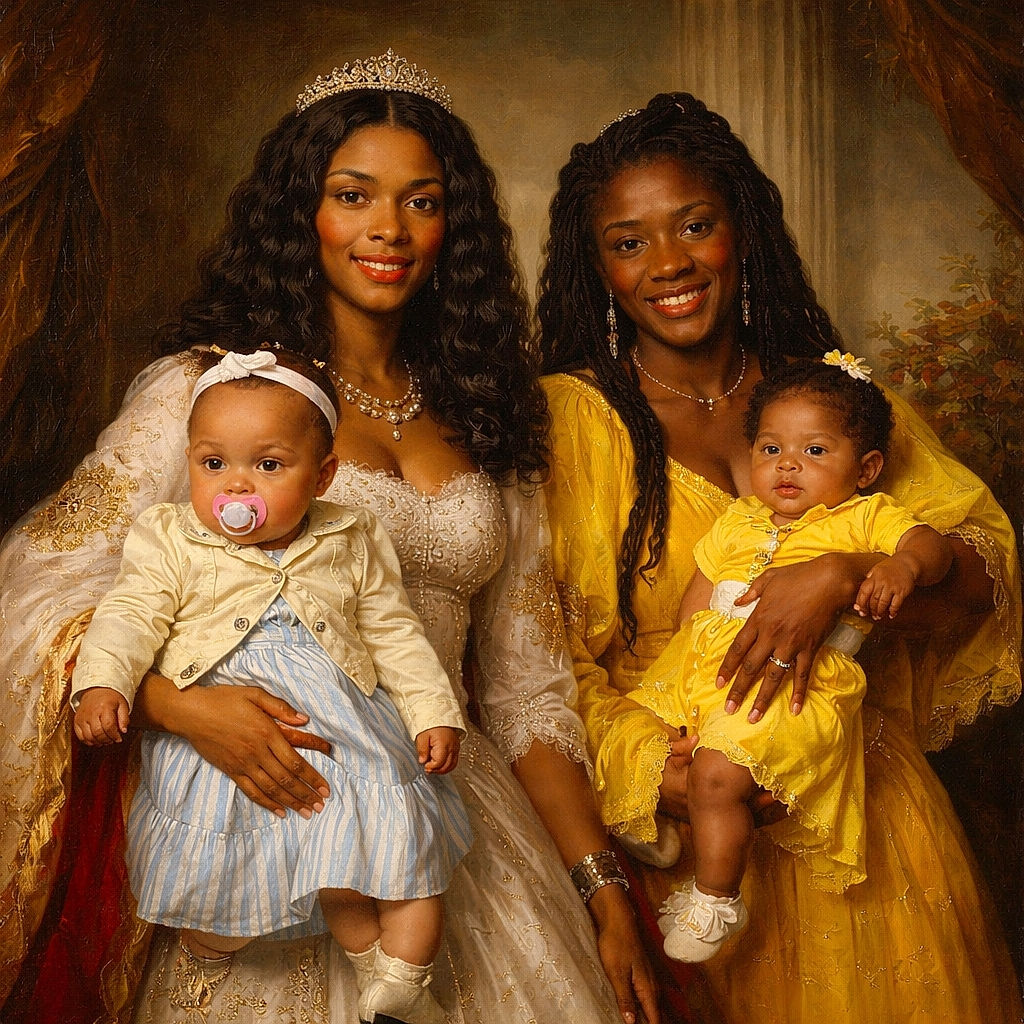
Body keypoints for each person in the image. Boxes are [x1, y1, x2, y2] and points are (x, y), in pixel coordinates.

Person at [0, 53, 658, 1024]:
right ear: (300, 212)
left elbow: (526, 692)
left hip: (448, 808)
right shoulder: (208, 392)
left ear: (453, 228)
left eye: (421, 202)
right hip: (263, 795)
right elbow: (38, 588)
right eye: (353, 196)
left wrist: (601, 890)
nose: (388, 229)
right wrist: (185, 708)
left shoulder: (492, 417)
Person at [539, 91, 1022, 1023]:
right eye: (630, 242)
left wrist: (841, 576)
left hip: (866, 826)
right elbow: (540, 668)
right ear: (598, 267)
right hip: (684, 821)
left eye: (695, 226)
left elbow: (980, 572)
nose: (668, 263)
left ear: (742, 230)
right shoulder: (569, 422)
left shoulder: (832, 398)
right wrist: (663, 773)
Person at [71, 347, 472, 1024]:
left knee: (382, 848)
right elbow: (130, 614)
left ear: (323, 476)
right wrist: (104, 683)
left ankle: (399, 978)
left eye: (268, 465)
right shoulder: (170, 536)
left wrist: (433, 711)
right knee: (229, 857)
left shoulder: (349, 534)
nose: (236, 486)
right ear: (189, 461)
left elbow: (394, 631)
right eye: (213, 464)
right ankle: (215, 937)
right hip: (217, 721)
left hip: (346, 724)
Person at [629, 355, 952, 962]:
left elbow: (934, 548)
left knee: (719, 774)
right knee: (643, 738)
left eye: (815, 451)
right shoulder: (739, 518)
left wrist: (904, 565)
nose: (787, 465)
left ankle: (715, 899)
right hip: (709, 667)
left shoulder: (865, 517)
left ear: (866, 469)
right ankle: (657, 825)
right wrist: (682, 678)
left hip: (795, 685)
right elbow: (697, 601)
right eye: (771, 449)